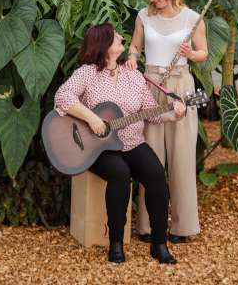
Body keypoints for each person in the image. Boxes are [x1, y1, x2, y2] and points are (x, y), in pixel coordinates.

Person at [54, 22, 186, 264]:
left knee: (156, 175)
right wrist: (92, 118)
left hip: (132, 142)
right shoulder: (87, 73)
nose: (122, 39)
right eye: (116, 37)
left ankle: (159, 244)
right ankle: (115, 243)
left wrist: (174, 113)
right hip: (97, 147)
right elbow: (62, 97)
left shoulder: (133, 74)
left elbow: (150, 112)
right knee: (120, 173)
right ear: (103, 45)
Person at [127, 0, 208, 244]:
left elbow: (203, 53)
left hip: (180, 86)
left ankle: (183, 227)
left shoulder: (192, 17)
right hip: (150, 85)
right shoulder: (143, 16)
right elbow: (135, 47)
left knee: (181, 157)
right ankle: (148, 226)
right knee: (150, 157)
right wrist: (132, 59)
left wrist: (191, 54)